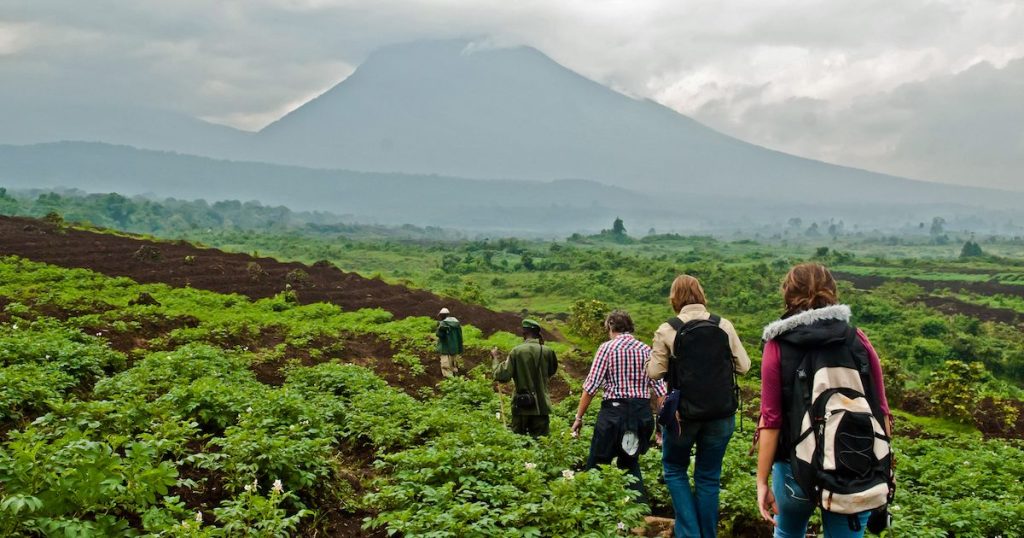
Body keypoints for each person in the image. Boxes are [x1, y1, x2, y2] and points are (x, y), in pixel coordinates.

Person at [756, 263, 893, 538]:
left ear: (788, 294)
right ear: (832, 292)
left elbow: (771, 422)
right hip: (854, 461)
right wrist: (885, 469)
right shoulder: (858, 340)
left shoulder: (778, 345)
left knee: (788, 532)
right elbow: (881, 411)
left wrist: (761, 481)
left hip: (794, 464)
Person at [647, 275, 750, 538]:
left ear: (675, 299)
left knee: (674, 469)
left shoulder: (667, 329)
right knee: (708, 477)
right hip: (720, 413)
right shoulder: (722, 325)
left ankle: (689, 533)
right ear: (701, 295)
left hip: (683, 415)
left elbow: (655, 373)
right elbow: (744, 366)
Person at [571, 310, 667, 506]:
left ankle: (591, 510)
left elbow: (591, 387)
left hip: (613, 415)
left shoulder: (607, 348)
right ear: (630, 328)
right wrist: (661, 426)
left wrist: (579, 417)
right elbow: (660, 392)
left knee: (598, 461)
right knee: (630, 462)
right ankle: (640, 514)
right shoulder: (646, 350)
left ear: (610, 327)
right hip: (641, 414)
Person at [491, 319, 558, 437]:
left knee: (519, 440)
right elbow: (551, 371)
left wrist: (495, 358)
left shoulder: (517, 351)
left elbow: (501, 375)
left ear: (524, 333)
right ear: (538, 333)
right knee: (541, 442)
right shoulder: (548, 351)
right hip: (542, 406)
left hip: (522, 406)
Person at [435, 307, 463, 378]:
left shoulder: (443, 323)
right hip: (455, 349)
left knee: (446, 366)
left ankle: (449, 382)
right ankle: (457, 381)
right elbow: (460, 337)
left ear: (442, 315)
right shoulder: (457, 324)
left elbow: (439, 335)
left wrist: (439, 328)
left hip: (445, 349)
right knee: (454, 366)